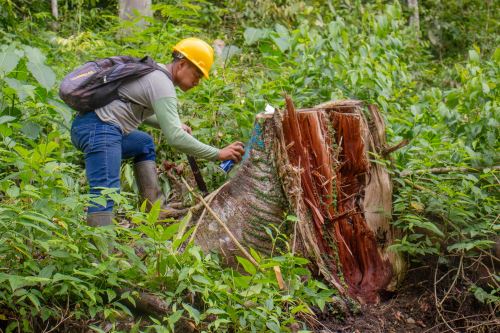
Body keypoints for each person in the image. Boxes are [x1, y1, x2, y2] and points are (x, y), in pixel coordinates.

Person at [70, 37, 245, 226]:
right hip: (98, 128)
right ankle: (101, 250)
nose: (197, 82)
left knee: (143, 143)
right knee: (106, 191)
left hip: (96, 127)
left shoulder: (156, 75)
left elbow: (137, 111)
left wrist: (170, 124)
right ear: (182, 64)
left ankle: (154, 210)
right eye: (197, 74)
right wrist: (218, 154)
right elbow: (176, 139)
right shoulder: (161, 82)